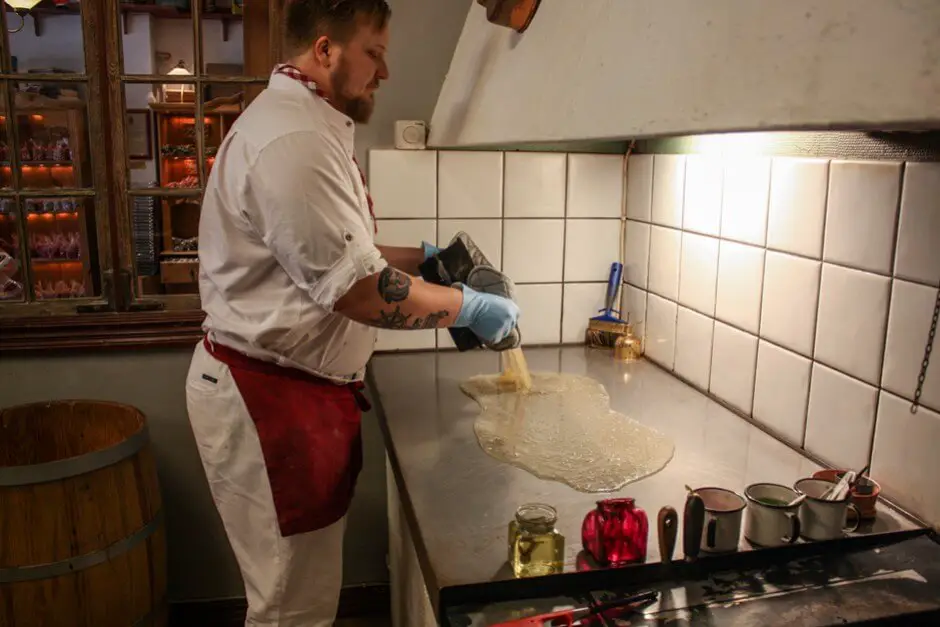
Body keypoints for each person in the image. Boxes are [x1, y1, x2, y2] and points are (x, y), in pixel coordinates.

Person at [184, 1, 520, 625]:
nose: (385, 72)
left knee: (300, 596)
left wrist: (424, 262)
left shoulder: (305, 122)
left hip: (287, 393)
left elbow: (333, 256)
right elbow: (362, 292)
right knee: (292, 607)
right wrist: (466, 306)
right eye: (376, 52)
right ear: (324, 50)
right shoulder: (294, 141)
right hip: (268, 400)